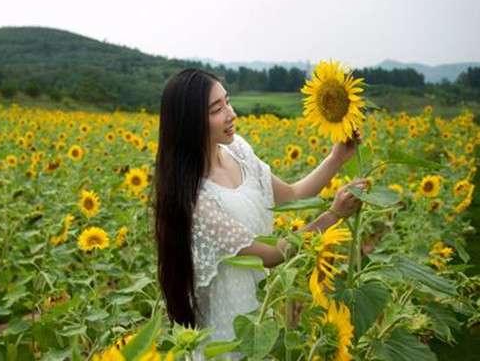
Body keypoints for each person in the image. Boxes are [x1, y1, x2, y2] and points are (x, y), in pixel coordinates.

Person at [154, 68, 367, 357]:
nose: (231, 114)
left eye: (227, 101)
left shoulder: (237, 151)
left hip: (259, 303)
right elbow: (270, 255)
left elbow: (291, 195)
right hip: (229, 319)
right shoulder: (195, 198)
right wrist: (332, 216)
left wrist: (337, 157)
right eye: (217, 109)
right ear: (189, 122)